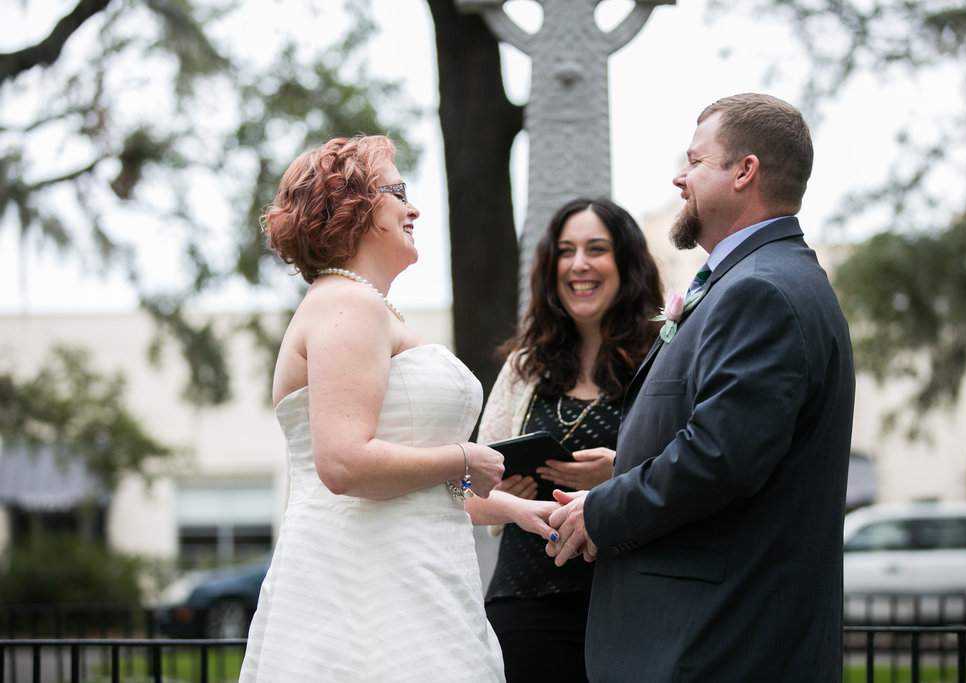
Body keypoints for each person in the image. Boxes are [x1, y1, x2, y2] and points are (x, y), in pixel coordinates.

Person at [547, 93, 856, 681]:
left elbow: (720, 457)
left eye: (695, 161)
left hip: (715, 644)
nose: (678, 177)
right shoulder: (752, 281)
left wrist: (602, 510)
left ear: (745, 172)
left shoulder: (761, 291)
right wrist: (629, 464)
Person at [239, 135, 556, 682]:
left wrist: (510, 508)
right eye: (398, 191)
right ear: (353, 205)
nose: (414, 208)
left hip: (414, 573)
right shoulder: (347, 302)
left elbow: (405, 486)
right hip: (367, 590)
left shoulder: (367, 306)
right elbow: (343, 465)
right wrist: (463, 456)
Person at [466, 197, 663, 682]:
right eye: (566, 250)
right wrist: (506, 503)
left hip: (631, 602)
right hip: (526, 604)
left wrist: (619, 471)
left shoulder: (664, 361)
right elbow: (459, 491)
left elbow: (689, 474)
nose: (579, 264)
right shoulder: (522, 369)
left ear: (625, 262)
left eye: (596, 249)